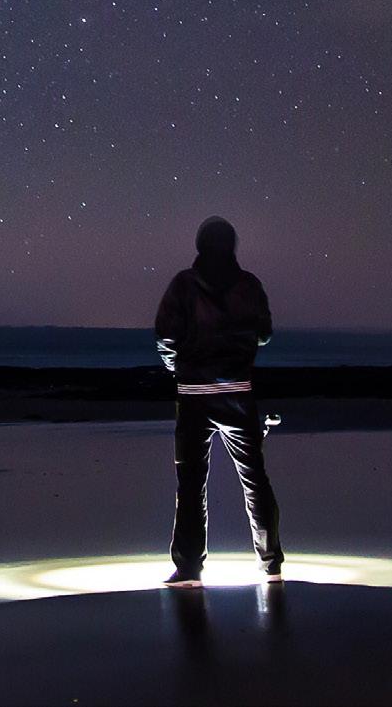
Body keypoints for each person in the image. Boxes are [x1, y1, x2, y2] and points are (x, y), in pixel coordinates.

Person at [155, 216, 284, 586]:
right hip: (238, 392)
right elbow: (264, 333)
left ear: (200, 244)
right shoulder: (249, 285)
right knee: (254, 479)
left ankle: (188, 567)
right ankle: (271, 562)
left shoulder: (183, 284)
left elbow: (165, 336)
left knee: (190, 483)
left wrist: (180, 371)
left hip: (194, 395)